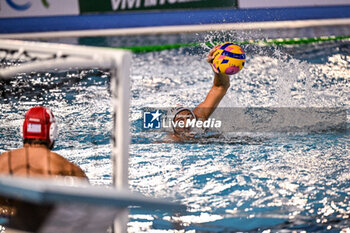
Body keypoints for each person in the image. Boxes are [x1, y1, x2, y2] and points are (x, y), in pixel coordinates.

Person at [0, 106, 88, 231]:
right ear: (52, 132)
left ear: (23, 130)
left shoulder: (3, 161)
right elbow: (85, 210)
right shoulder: (68, 168)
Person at [168, 44, 230, 141]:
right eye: (180, 121)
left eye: (189, 118)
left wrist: (217, 68)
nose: (187, 123)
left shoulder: (199, 117)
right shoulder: (171, 140)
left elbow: (221, 87)